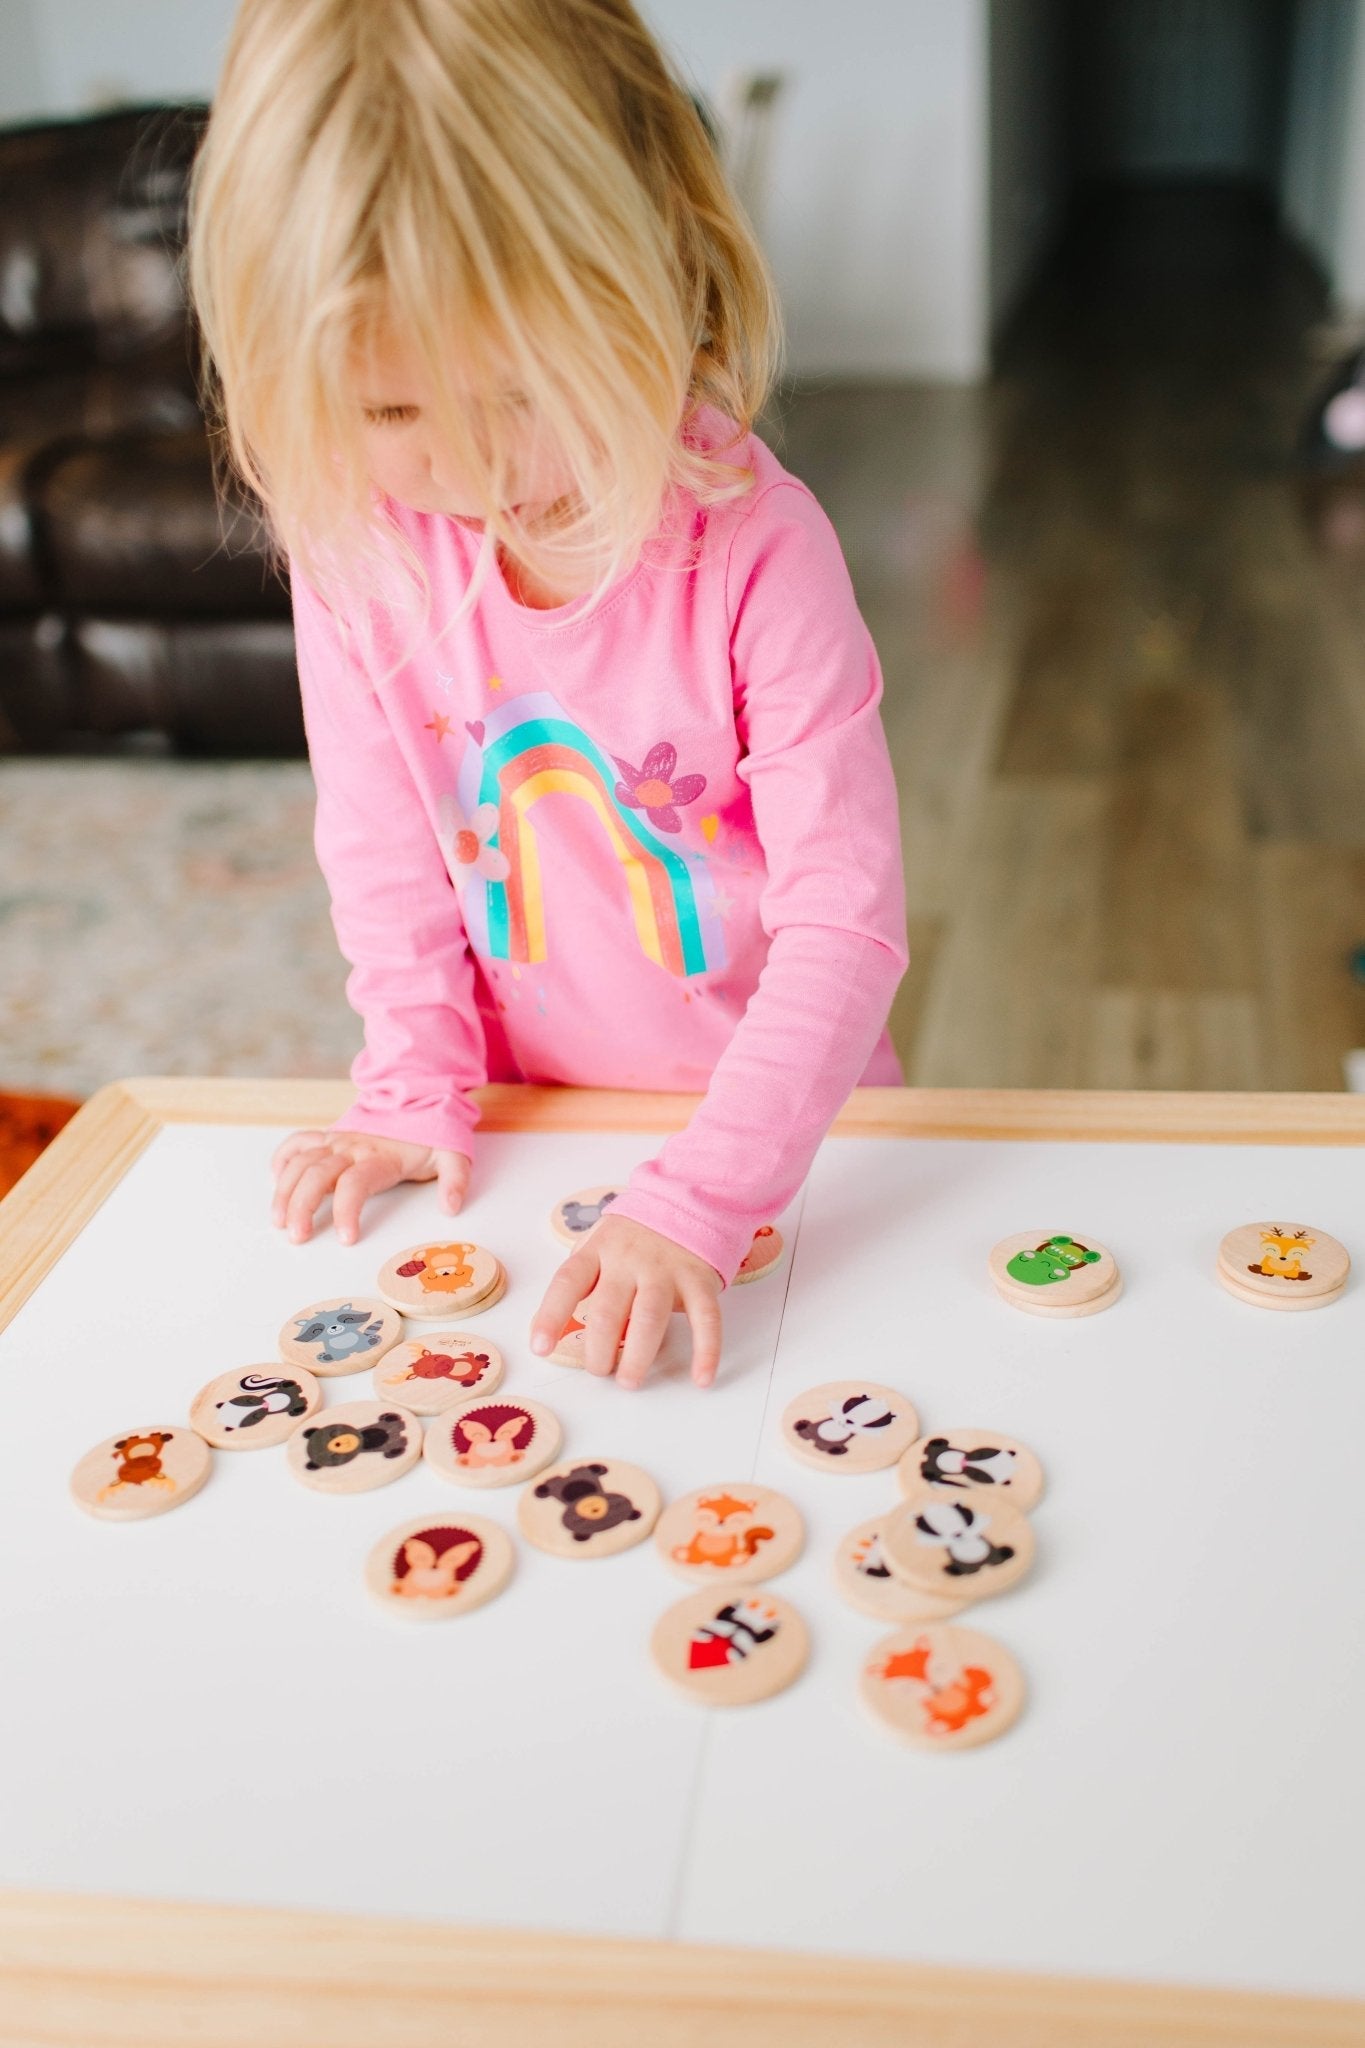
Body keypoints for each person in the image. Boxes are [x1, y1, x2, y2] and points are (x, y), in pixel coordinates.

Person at [189, 0, 907, 1390]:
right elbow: (384, 853)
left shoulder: (758, 548)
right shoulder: (357, 544)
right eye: (391, 414)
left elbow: (847, 918)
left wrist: (704, 1194)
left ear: (659, 260)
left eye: (522, 391)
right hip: (540, 1138)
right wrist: (409, 1082)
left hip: (780, 1151)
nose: (471, 472)